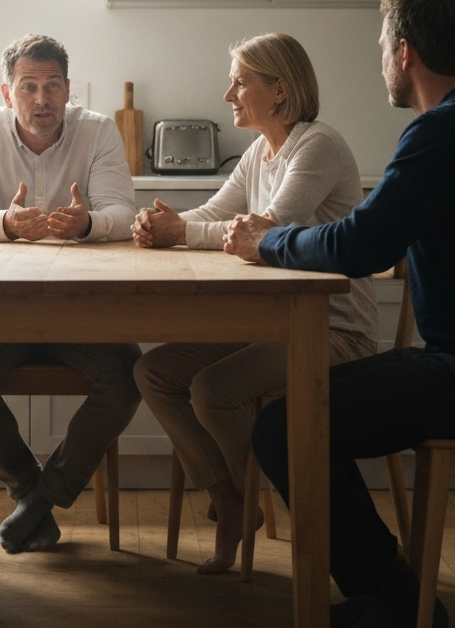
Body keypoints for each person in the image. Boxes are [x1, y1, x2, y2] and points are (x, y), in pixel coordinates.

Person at [228, 0, 455, 628]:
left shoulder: (444, 135)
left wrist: (267, 241)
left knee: (284, 428)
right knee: (293, 414)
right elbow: (370, 232)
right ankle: (387, 592)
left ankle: (394, 600)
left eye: (381, 50)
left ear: (404, 52)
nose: (381, 64)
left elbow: (360, 242)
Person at [132, 33, 377, 574]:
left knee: (215, 389)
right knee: (155, 371)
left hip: (331, 331)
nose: (228, 94)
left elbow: (267, 230)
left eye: (241, 81)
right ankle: (232, 502)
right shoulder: (258, 153)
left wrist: (182, 234)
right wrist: (164, 222)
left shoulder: (318, 146)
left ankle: (263, 502)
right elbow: (215, 214)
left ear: (281, 91)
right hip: (273, 324)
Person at [0, 33, 140, 554]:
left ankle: (42, 500)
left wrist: (89, 223)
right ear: (7, 93)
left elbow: (123, 211)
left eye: (52, 86)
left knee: (127, 372)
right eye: (28, 87)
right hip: (2, 314)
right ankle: (32, 493)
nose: (42, 100)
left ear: (68, 90)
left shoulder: (98, 131)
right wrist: (4, 222)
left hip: (82, 315)